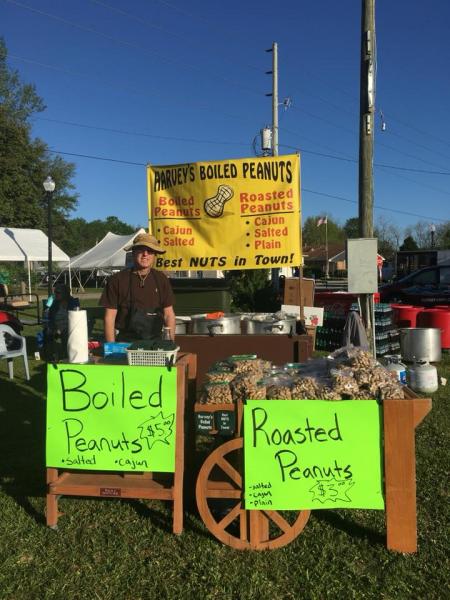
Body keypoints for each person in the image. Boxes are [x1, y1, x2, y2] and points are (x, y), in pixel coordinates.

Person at [100, 232, 176, 342]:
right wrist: (112, 348)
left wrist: (170, 343)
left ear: (154, 255)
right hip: (125, 343)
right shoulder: (117, 280)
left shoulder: (161, 279)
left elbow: (169, 314)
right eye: (141, 250)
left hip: (155, 343)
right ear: (134, 252)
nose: (145, 254)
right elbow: (109, 318)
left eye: (150, 251)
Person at [44, 283, 79, 360]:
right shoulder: (54, 304)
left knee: (66, 333)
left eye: (58, 292)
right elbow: (50, 317)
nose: (55, 294)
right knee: (47, 332)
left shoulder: (73, 303)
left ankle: (67, 355)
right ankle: (51, 354)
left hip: (69, 326)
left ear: (66, 293)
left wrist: (60, 329)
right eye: (55, 292)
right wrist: (55, 328)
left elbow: (76, 318)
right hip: (56, 326)